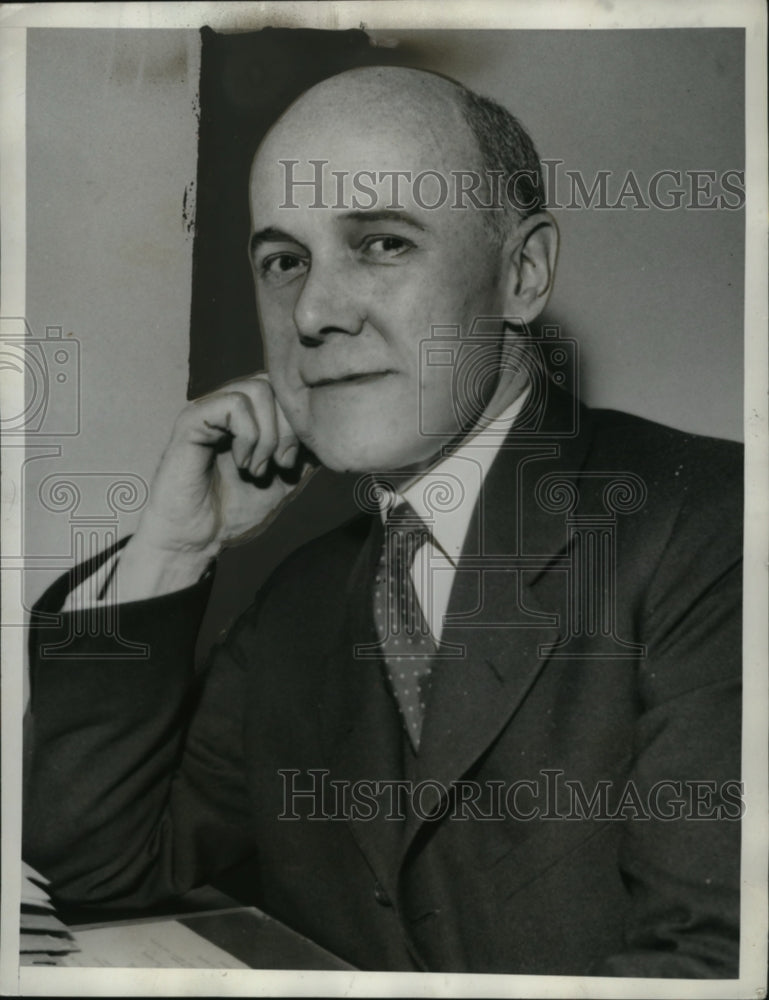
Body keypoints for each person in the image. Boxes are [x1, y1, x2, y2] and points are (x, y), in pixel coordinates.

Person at [23, 66, 742, 976]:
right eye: (284, 261)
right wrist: (175, 549)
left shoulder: (712, 525)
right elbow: (96, 870)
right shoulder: (303, 597)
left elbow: (710, 969)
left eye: (382, 244)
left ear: (521, 274)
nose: (313, 313)